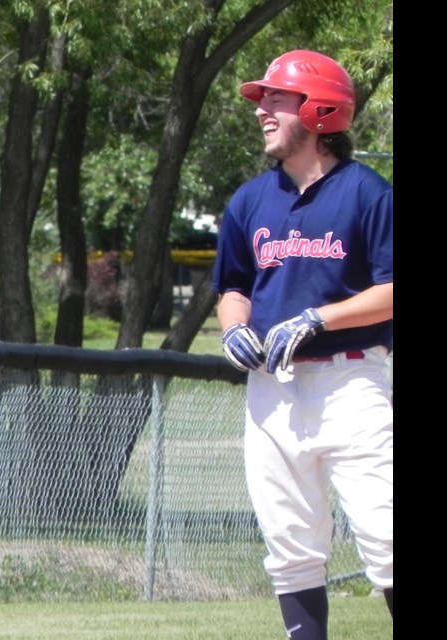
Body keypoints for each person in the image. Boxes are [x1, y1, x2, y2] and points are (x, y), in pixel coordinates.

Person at [212, 50, 392, 639]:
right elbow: (234, 286)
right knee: (289, 546)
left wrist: (319, 318)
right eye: (263, 99)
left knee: (387, 536)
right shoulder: (249, 201)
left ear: (320, 109)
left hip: (352, 382)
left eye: (277, 98)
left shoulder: (368, 193)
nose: (262, 109)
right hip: (273, 391)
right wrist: (235, 324)